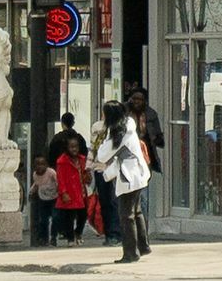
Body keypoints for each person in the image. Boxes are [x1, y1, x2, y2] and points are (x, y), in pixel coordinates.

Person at [95, 99, 152, 264]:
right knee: (137, 211)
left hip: (129, 176)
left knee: (126, 215)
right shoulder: (129, 125)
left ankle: (130, 253)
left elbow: (103, 155)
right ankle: (143, 246)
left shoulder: (117, 135)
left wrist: (104, 135)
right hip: (139, 173)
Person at [125, 86, 165, 212]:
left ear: (145, 101)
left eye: (140, 99)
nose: (137, 102)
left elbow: (159, 137)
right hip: (127, 156)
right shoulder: (123, 112)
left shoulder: (151, 114)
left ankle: (142, 216)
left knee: (143, 188)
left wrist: (154, 139)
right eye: (134, 98)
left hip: (145, 156)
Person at [87, 114, 122, 247]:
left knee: (113, 202)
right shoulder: (98, 127)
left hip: (114, 169)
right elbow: (93, 147)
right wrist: (88, 166)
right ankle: (109, 233)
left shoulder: (120, 128)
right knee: (105, 202)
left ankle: (115, 234)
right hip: (100, 169)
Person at [54, 140, 90, 244]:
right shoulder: (62, 161)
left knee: (83, 215)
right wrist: (64, 193)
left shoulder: (82, 159)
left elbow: (85, 174)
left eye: (76, 146)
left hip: (81, 192)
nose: (74, 149)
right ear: (67, 148)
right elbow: (60, 178)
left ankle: (78, 232)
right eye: (71, 147)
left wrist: (87, 177)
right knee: (69, 217)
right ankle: (70, 238)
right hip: (69, 192)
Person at [28, 155, 58, 247]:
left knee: (55, 217)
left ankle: (53, 237)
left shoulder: (51, 173)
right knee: (43, 220)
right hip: (43, 199)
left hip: (54, 197)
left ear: (46, 165)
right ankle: (44, 238)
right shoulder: (35, 175)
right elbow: (36, 184)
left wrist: (61, 191)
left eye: (42, 164)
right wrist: (31, 192)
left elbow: (57, 182)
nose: (40, 167)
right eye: (37, 164)